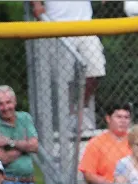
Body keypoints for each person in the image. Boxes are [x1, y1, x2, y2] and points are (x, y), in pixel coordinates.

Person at [32, 1, 106, 129]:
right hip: (57, 25)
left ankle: (80, 108)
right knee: (65, 80)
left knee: (96, 70)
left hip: (85, 25)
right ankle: (69, 119)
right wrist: (37, 4)